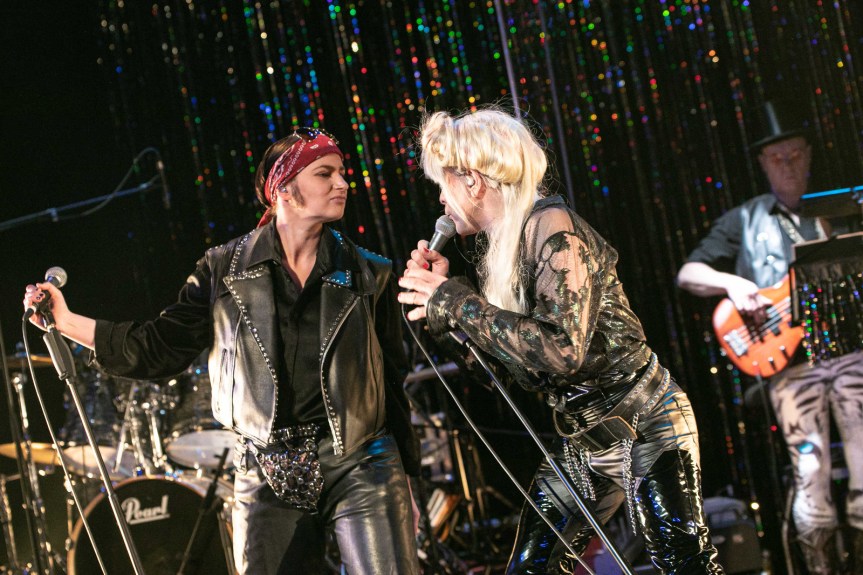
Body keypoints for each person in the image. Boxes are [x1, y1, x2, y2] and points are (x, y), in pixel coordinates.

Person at [23, 128, 421, 575]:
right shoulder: (222, 270)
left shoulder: (369, 272)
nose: (342, 183)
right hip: (265, 464)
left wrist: (406, 482)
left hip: (362, 461)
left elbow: (392, 382)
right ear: (284, 189)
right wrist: (65, 321)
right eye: (325, 173)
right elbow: (158, 347)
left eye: (342, 172)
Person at [397, 108, 724, 574]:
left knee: (684, 563)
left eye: (442, 184)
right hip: (584, 439)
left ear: (472, 180)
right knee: (531, 567)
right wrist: (445, 313)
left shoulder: (553, 228)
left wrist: (455, 300)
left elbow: (562, 351)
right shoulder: (509, 247)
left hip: (646, 420)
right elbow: (506, 375)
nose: (441, 200)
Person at [677, 101, 863, 574]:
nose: (788, 165)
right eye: (777, 158)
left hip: (850, 351)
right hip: (790, 365)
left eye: (795, 154)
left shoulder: (842, 207)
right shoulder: (745, 218)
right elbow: (689, 273)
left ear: (809, 154)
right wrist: (732, 284)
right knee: (810, 469)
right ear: (763, 163)